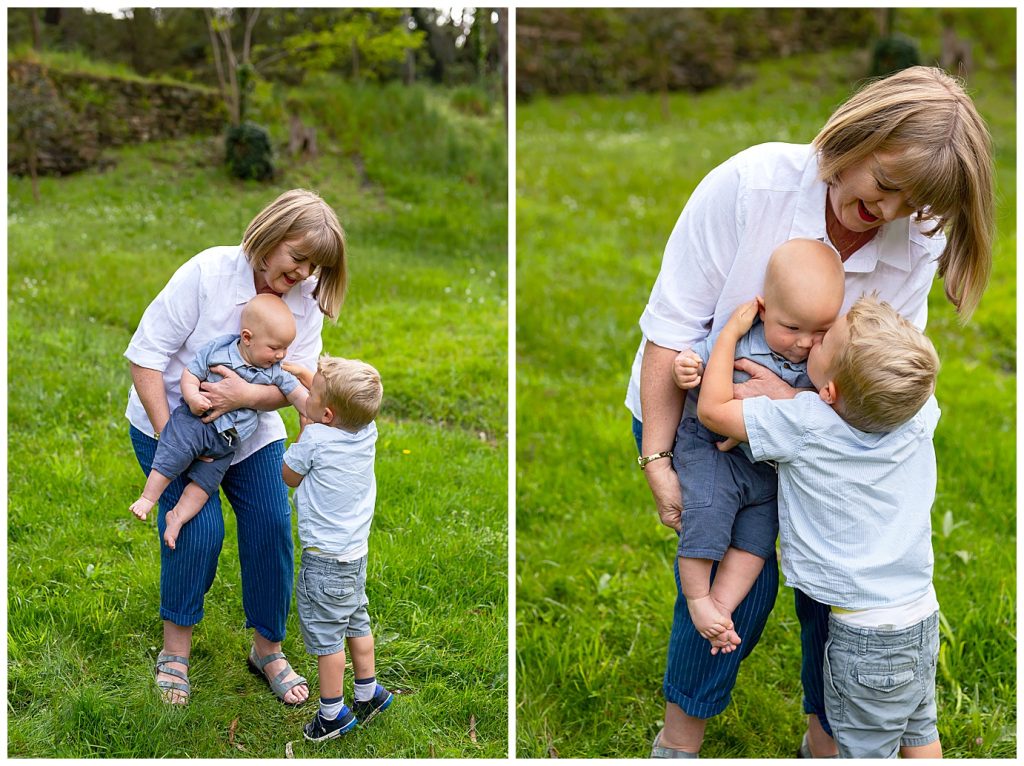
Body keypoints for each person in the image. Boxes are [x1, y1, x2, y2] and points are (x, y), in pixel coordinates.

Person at [629, 66, 993, 758]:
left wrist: (795, 405)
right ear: (859, 135)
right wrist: (658, 456)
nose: (887, 211)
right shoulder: (751, 185)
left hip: (822, 428)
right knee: (737, 579)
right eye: (884, 184)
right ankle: (680, 741)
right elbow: (670, 330)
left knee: (839, 582)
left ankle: (825, 741)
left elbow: (876, 373)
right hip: (702, 417)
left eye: (912, 203)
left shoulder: (916, 240)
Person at [125, 188, 347, 705]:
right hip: (173, 420)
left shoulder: (305, 299)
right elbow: (145, 358)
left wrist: (246, 394)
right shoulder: (207, 274)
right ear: (269, 237)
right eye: (296, 258)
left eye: (313, 266)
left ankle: (267, 648)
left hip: (250, 428)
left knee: (271, 522)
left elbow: (300, 383)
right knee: (196, 528)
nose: (301, 274)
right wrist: (176, 440)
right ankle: (175, 652)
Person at [696, 294, 942, 758]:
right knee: (919, 732)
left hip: (863, 638)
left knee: (865, 752)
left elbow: (711, 412)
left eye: (826, 338)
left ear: (828, 394)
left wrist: (729, 333)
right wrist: (798, 395)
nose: (816, 338)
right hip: (920, 617)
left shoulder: (804, 423)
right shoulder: (917, 417)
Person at [669, 239, 843, 652]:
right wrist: (687, 366)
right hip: (714, 449)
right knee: (707, 515)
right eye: (793, 328)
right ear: (764, 311)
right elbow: (695, 364)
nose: (804, 343)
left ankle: (721, 608)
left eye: (820, 331)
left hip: (768, 465)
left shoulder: (822, 360)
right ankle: (698, 599)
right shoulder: (743, 341)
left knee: (758, 540)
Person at [130, 294, 310, 550]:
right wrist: (193, 398)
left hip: (227, 443)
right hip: (197, 422)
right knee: (174, 453)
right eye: (274, 348)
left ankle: (177, 517)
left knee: (204, 485)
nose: (280, 355)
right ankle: (148, 498)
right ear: (247, 338)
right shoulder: (219, 351)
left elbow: (299, 397)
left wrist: (314, 410)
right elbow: (191, 373)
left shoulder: (275, 372)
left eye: (285, 348)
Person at [281, 356, 394, 741]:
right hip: (354, 556)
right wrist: (305, 375)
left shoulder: (314, 438)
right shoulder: (367, 430)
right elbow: (340, 399)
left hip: (323, 562)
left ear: (326, 414)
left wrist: (304, 431)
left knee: (328, 641)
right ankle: (368, 693)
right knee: (357, 623)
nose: (306, 394)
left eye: (311, 392)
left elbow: (289, 475)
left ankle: (332, 715)